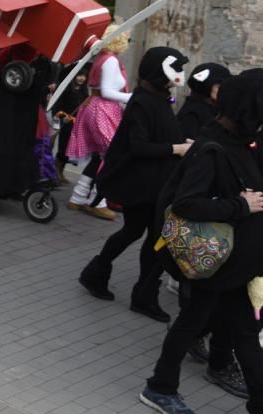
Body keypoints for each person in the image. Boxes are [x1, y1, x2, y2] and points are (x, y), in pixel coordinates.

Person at [138, 72, 263, 414]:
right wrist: (239, 205)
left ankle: (259, 410)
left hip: (236, 265)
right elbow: (186, 205)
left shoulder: (244, 143)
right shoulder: (211, 148)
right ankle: (160, 387)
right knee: (196, 325)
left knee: (240, 331)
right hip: (215, 264)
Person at [78, 47, 191, 322]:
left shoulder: (158, 98)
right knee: (143, 235)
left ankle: (104, 277)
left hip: (153, 183)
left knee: (140, 234)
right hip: (142, 184)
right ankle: (136, 292)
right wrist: (175, 148)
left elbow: (160, 134)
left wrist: (182, 145)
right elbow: (139, 146)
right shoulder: (143, 102)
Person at [66, 27, 131, 220]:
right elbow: (107, 91)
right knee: (110, 156)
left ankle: (77, 197)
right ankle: (97, 202)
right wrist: (133, 97)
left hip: (97, 108)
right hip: (103, 109)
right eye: (127, 36)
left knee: (99, 157)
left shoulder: (105, 57)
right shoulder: (110, 60)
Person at [52, 64, 90, 184]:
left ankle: (60, 171)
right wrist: (63, 116)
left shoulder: (84, 92)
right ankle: (56, 171)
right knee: (63, 147)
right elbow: (57, 106)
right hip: (67, 123)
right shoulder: (66, 89)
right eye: (79, 75)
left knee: (69, 149)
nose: (81, 78)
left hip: (76, 125)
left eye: (84, 76)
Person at [177, 63, 231, 139]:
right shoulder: (193, 113)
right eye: (219, 87)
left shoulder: (214, 108)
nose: (224, 91)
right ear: (206, 87)